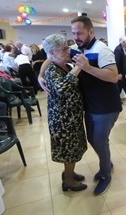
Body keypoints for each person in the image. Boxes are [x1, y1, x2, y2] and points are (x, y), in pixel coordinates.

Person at [39, 16, 121, 195]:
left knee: (99, 140)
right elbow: (51, 55)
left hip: (105, 106)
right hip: (90, 106)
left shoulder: (102, 50)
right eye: (74, 32)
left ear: (91, 32)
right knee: (94, 140)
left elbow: (114, 76)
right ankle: (107, 163)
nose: (76, 36)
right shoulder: (76, 49)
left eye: (80, 33)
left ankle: (106, 173)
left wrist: (88, 68)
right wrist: (40, 75)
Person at [42, 34, 87, 192]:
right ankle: (68, 181)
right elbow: (61, 89)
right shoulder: (52, 70)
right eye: (63, 49)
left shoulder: (65, 65)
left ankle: (69, 173)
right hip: (62, 119)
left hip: (72, 117)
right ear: (52, 53)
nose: (68, 51)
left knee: (74, 148)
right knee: (69, 150)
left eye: (67, 47)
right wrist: (78, 68)